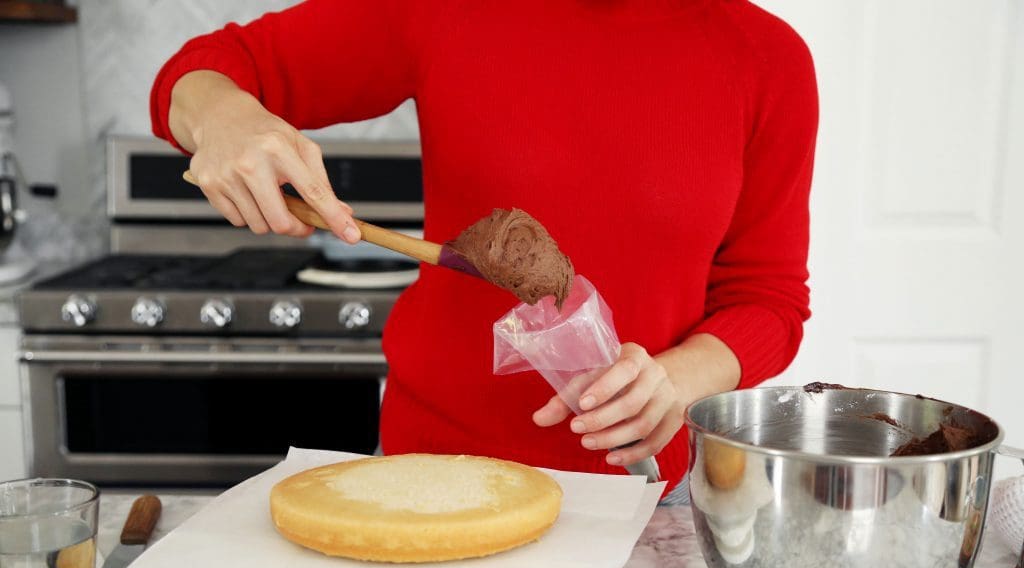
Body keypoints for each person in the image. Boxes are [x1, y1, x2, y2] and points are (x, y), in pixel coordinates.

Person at [150, 0, 817, 502]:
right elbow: (205, 72)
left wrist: (678, 378)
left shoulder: (766, 58)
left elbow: (769, 298)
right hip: (427, 478)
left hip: (640, 494)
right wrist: (222, 115)